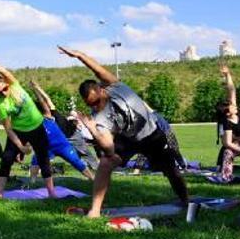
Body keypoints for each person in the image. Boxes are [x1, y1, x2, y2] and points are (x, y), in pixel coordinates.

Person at [58, 46, 189, 218]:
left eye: (96, 101)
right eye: (91, 105)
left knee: (171, 170)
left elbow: (96, 69)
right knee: (105, 163)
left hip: (151, 135)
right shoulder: (98, 117)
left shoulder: (115, 86)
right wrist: (92, 130)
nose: (95, 107)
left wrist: (80, 55)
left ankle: (186, 201)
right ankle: (95, 210)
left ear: (101, 89)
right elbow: (110, 149)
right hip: (127, 141)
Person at [0, 52, 57, 198]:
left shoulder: (15, 85)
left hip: (37, 127)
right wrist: (21, 147)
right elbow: (9, 129)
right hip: (18, 131)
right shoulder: (1, 105)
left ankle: (51, 193)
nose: (4, 94)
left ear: (7, 83)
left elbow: (3, 70)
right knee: (6, 159)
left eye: (4, 89)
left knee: (43, 158)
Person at [27, 81, 95, 182]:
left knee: (76, 162)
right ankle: (32, 182)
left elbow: (43, 101)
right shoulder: (32, 122)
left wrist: (35, 89)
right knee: (35, 161)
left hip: (63, 145)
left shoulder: (48, 115)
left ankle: (93, 179)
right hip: (47, 147)